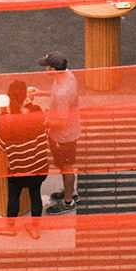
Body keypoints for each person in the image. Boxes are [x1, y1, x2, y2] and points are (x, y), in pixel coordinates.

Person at [0, 80, 52, 238]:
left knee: (13, 196)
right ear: (25, 96)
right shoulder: (35, 111)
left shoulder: (6, 119)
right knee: (35, 194)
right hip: (38, 165)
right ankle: (34, 229)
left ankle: (11, 228)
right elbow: (46, 129)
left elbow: (0, 144)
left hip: (18, 168)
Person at [39, 53, 82, 213]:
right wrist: (40, 93)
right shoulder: (68, 75)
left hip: (63, 135)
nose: (45, 68)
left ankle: (68, 201)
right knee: (67, 165)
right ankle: (69, 191)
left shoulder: (62, 94)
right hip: (70, 130)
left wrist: (45, 121)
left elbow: (62, 121)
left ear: (54, 69)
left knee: (66, 166)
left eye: (47, 66)